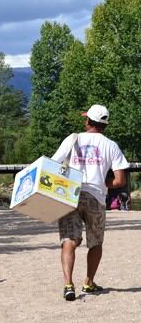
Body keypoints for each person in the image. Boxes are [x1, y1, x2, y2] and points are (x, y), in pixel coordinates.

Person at [51, 104, 129, 302]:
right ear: (105, 124)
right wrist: (102, 183)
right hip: (96, 197)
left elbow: (53, 163)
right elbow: (120, 181)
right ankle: (88, 281)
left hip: (70, 194)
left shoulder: (73, 138)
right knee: (96, 242)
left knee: (69, 240)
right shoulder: (112, 146)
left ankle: (68, 284)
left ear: (88, 121)